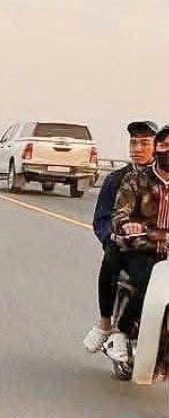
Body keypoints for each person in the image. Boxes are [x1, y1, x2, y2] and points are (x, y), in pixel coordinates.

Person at [83, 120, 157, 352]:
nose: (138, 149)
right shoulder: (116, 179)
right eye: (134, 143)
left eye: (145, 143)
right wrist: (111, 238)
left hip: (158, 245)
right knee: (112, 258)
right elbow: (102, 218)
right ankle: (106, 325)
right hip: (126, 246)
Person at [103, 124, 169, 363]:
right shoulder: (136, 180)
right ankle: (119, 332)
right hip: (143, 249)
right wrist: (127, 225)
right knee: (147, 285)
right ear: (157, 148)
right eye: (165, 146)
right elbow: (120, 213)